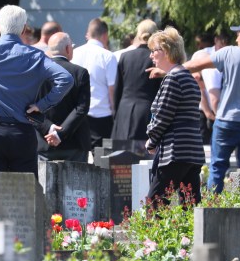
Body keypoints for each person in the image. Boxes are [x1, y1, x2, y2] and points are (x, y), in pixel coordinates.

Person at [168, 20, 240, 192]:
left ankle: (212, 211)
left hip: (225, 122)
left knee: (217, 168)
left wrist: (167, 71)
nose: (236, 38)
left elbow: (194, 65)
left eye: (238, 34)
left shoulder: (229, 53)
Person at [0, 5, 73, 173]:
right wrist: (42, 105)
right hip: (22, 131)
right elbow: (66, 79)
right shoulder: (35, 56)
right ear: (23, 30)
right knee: (25, 192)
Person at [145, 28, 204, 201]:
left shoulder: (173, 78)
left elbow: (163, 116)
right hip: (192, 151)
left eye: (154, 50)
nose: (151, 56)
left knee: (156, 203)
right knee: (190, 206)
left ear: (166, 51)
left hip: (175, 151)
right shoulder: (188, 77)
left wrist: (151, 140)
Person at [34, 32, 91, 161]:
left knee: (43, 181)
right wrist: (60, 133)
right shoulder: (80, 73)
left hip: (44, 143)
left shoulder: (37, 72)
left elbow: (29, 109)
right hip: (74, 143)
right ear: (68, 49)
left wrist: (48, 128)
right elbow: (81, 108)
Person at [72, 18, 119, 149]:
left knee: (80, 156)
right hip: (102, 113)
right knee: (101, 158)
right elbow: (112, 89)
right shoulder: (108, 56)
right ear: (105, 35)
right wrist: (114, 112)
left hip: (77, 112)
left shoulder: (75, 53)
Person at [111, 19, 161, 142]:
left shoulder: (125, 56)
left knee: (121, 156)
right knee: (145, 157)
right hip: (147, 111)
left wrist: (116, 113)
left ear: (138, 34)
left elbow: (118, 89)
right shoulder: (156, 58)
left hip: (124, 111)